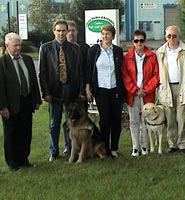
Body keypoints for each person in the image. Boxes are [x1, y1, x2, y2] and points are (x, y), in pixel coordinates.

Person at [0, 33, 42, 171]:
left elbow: (33, 81)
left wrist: (37, 100)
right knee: (11, 134)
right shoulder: (1, 62)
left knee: (26, 132)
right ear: (7, 46)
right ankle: (12, 162)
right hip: (11, 104)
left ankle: (24, 159)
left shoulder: (27, 60)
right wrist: (3, 107)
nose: (18, 48)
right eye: (15, 45)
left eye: (19, 45)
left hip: (26, 101)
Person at [39, 20, 85, 161]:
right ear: (53, 31)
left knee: (70, 121)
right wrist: (45, 92)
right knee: (54, 122)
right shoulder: (45, 48)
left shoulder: (74, 48)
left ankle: (69, 147)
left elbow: (80, 71)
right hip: (54, 91)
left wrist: (81, 91)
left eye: (63, 30)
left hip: (71, 90)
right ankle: (53, 151)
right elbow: (43, 73)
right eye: (58, 30)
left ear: (67, 31)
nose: (61, 33)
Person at [156, 25, 185, 154]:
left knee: (183, 117)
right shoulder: (160, 51)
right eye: (169, 36)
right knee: (170, 118)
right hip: (167, 87)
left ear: (178, 36)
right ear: (165, 37)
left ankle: (183, 144)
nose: (172, 38)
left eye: (174, 35)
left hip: (183, 86)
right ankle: (172, 144)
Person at [86, 25, 125, 157]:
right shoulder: (94, 51)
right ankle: (104, 148)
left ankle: (114, 148)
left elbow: (122, 71)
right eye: (103, 34)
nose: (105, 36)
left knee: (116, 119)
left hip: (115, 90)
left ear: (113, 36)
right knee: (104, 120)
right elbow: (88, 70)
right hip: (100, 90)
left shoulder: (118, 51)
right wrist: (88, 89)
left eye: (108, 34)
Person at [121, 29, 159, 156]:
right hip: (133, 94)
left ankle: (144, 146)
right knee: (134, 121)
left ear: (145, 41)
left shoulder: (152, 56)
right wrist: (135, 90)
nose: (139, 43)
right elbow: (125, 76)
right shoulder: (127, 57)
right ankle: (135, 147)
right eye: (136, 40)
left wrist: (146, 89)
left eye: (141, 40)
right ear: (133, 41)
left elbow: (156, 75)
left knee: (145, 121)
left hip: (147, 94)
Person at [60, 20, 91, 156]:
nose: (71, 33)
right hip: (65, 91)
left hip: (80, 91)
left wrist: (85, 90)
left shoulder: (84, 48)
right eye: (69, 31)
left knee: (82, 118)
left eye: (73, 30)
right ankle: (69, 146)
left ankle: (84, 148)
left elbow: (85, 71)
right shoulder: (62, 48)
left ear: (77, 32)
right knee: (67, 120)